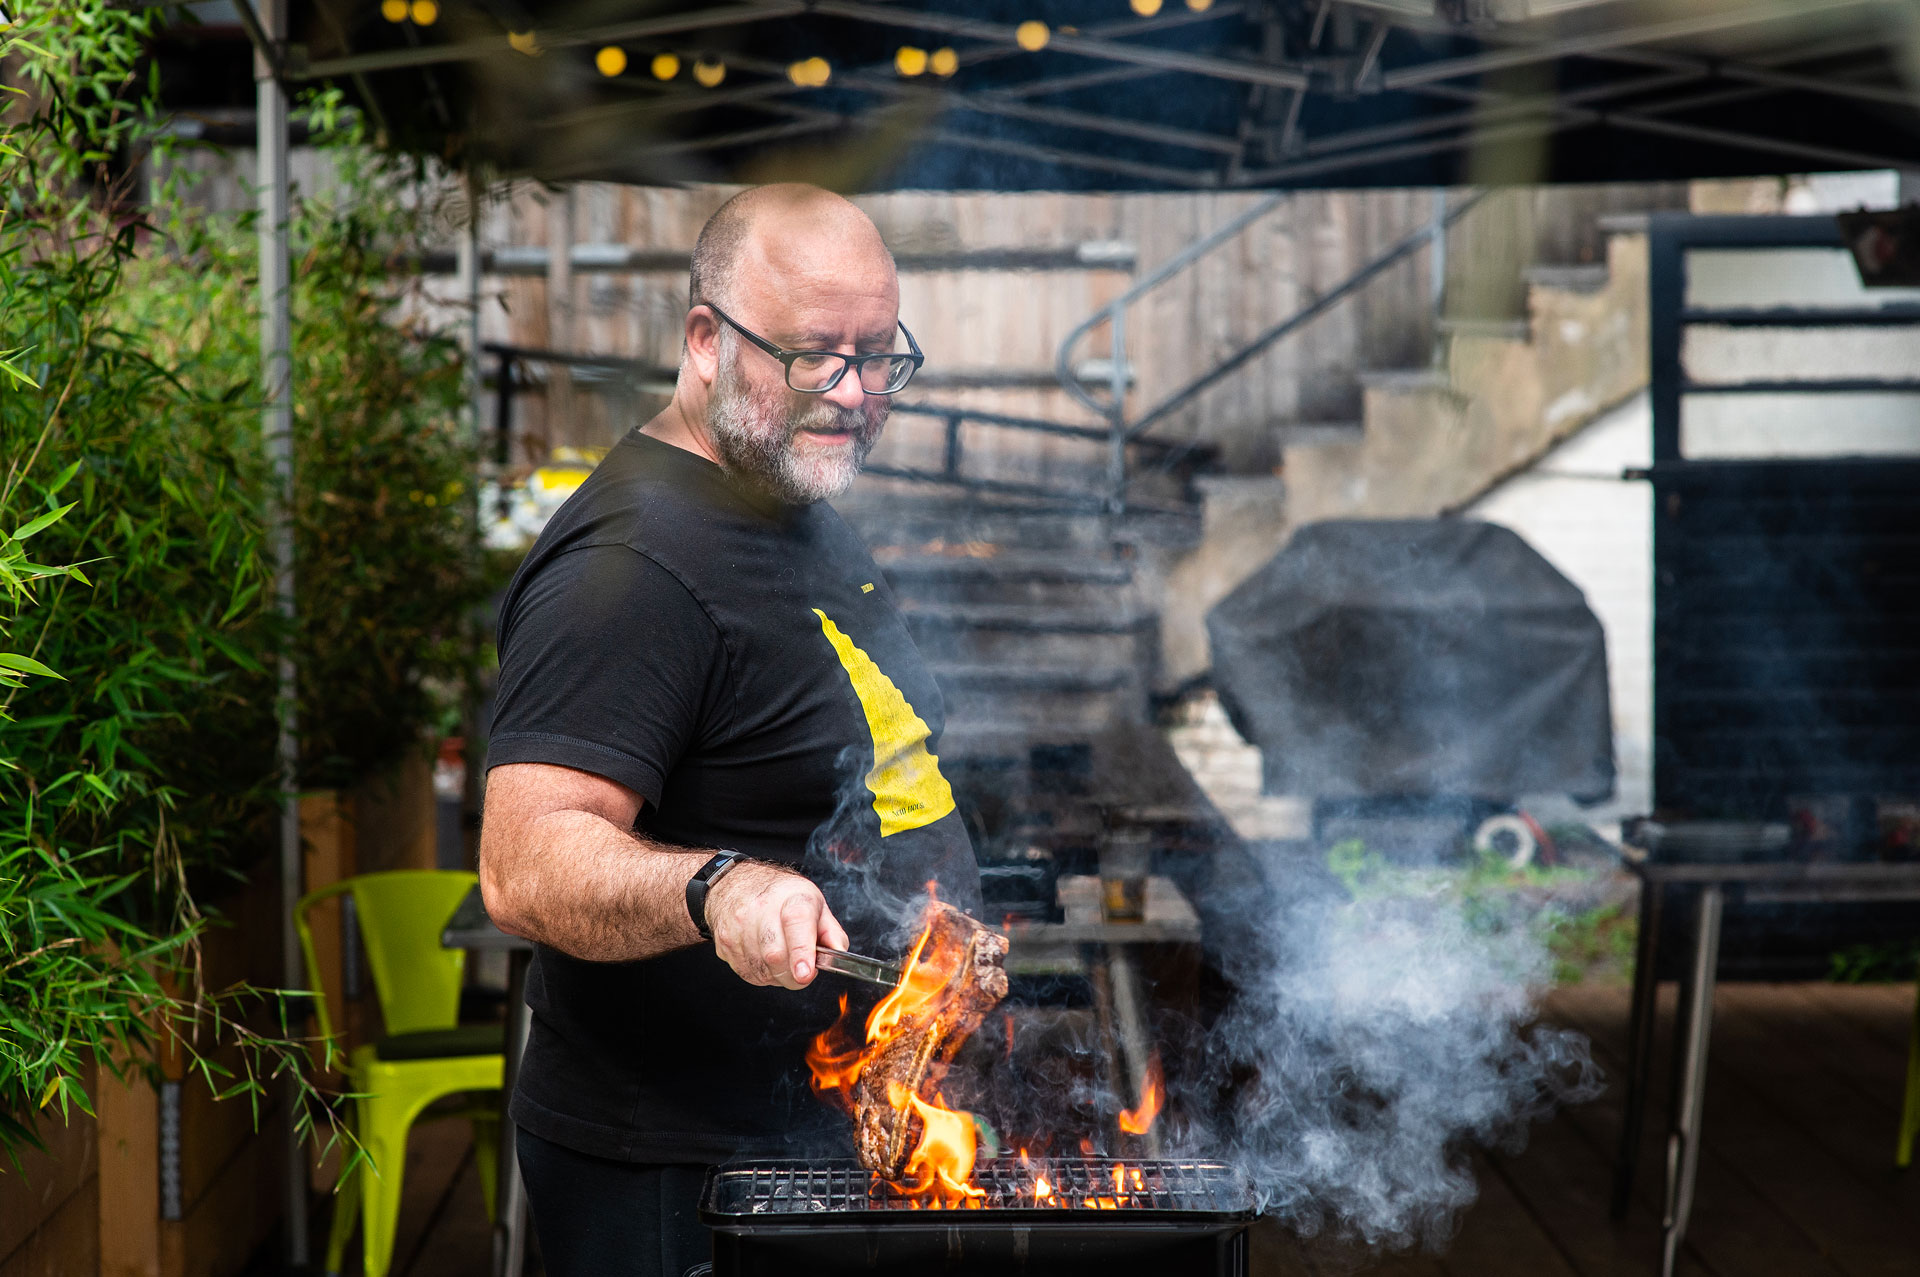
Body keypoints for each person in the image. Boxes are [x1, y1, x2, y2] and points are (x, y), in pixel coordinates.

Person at [479, 183, 981, 1277]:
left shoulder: (779, 494)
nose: (853, 393)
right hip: (687, 1190)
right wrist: (719, 890)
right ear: (706, 338)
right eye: (814, 357)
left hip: (819, 1143)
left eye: (879, 356)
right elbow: (522, 859)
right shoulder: (629, 567)